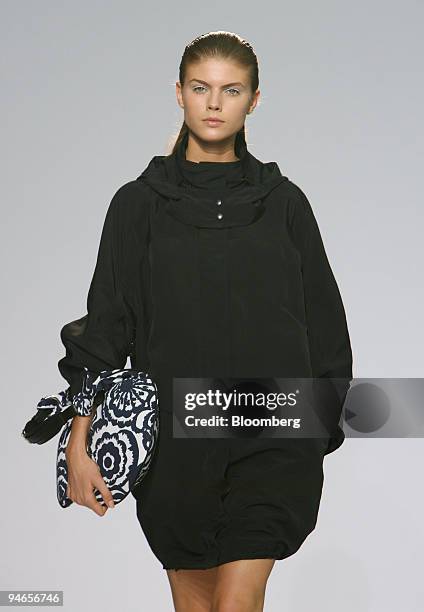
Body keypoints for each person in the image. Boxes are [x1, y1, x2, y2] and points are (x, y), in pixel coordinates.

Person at [60, 31, 353, 612]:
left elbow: (326, 325)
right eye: (201, 88)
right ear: (179, 94)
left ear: (254, 100)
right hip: (175, 447)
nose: (215, 103)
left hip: (271, 435)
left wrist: (315, 426)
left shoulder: (284, 204)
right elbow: (107, 324)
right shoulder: (137, 205)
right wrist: (78, 438)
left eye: (231, 90)